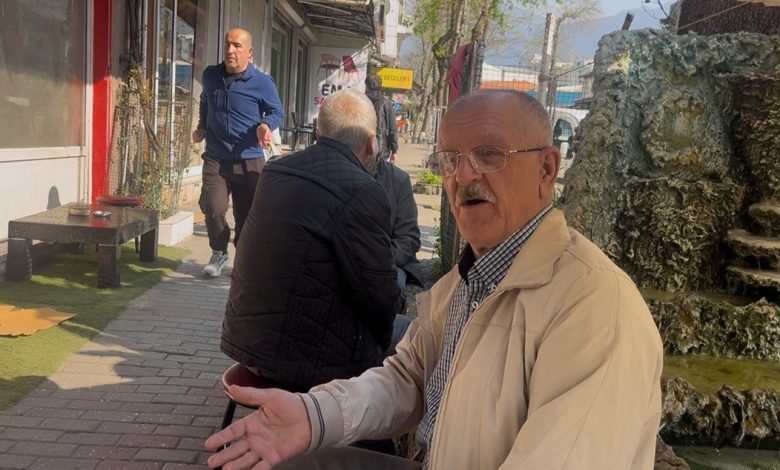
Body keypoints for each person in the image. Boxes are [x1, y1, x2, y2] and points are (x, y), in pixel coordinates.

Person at [205, 89, 664, 469]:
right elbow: (408, 378)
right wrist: (313, 416)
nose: (463, 176)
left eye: (489, 155)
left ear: (547, 169)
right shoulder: (470, 278)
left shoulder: (597, 308)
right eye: (450, 158)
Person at [219, 88, 406, 393]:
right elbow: (380, 296)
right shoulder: (363, 190)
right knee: (414, 335)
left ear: (319, 132)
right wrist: (378, 346)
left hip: (247, 344)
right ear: (372, 142)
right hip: (308, 365)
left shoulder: (275, 170)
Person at [192, 28, 284, 277]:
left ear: (249, 52)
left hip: (249, 159)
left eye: (237, 45)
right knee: (213, 207)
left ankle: (243, 259)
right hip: (216, 157)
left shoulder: (262, 82)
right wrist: (202, 126)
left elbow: (277, 112)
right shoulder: (211, 75)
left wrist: (266, 125)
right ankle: (219, 252)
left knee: (247, 214)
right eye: (227, 44)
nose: (230, 50)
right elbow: (205, 102)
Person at [373, 156, 423, 292]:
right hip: (346, 262)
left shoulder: (398, 180)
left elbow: (409, 238)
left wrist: (377, 258)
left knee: (386, 289)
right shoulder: (336, 174)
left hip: (391, 262)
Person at [365, 74, 398, 164]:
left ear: (366, 87)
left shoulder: (362, 102)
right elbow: (393, 129)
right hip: (382, 150)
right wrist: (394, 151)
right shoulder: (387, 104)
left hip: (363, 150)